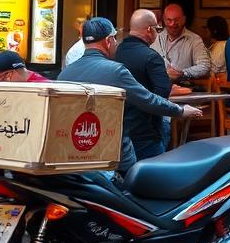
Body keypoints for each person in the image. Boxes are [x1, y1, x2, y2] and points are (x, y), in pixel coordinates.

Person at [59, 17, 199, 173]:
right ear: (108, 41)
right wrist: (180, 110)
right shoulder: (115, 71)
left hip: (77, 151)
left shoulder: (65, 74)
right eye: (114, 38)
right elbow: (147, 99)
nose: (116, 43)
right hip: (113, 149)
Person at [115, 9, 177, 160]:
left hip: (116, 128)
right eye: (157, 29)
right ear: (149, 30)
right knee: (155, 175)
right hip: (145, 131)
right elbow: (162, 93)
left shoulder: (115, 52)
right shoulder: (151, 57)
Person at [156, 3, 210, 83]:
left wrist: (182, 73)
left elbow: (204, 66)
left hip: (184, 89)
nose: (172, 24)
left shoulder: (194, 40)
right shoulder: (155, 38)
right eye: (169, 20)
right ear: (164, 20)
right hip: (158, 89)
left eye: (176, 20)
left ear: (184, 19)